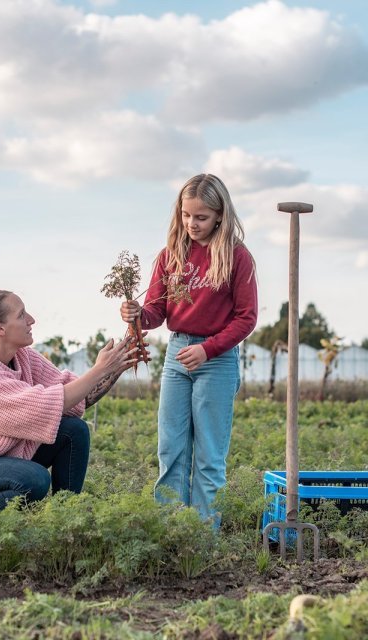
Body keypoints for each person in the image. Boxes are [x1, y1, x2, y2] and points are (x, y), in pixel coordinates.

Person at [0, 289, 137, 509]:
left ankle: (67, 515)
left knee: (74, 430)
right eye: (21, 315)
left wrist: (116, 365)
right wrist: (99, 369)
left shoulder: (21, 355)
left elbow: (77, 396)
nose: (31, 320)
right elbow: (45, 407)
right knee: (34, 480)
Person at [120, 174, 257, 525]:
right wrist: (137, 315)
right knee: (171, 449)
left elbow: (246, 318)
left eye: (201, 217)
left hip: (217, 360)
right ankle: (171, 529)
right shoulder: (171, 255)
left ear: (219, 216)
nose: (192, 224)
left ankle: (202, 535)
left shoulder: (236, 257)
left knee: (209, 456)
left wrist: (208, 350)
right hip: (177, 354)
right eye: (186, 215)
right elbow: (156, 311)